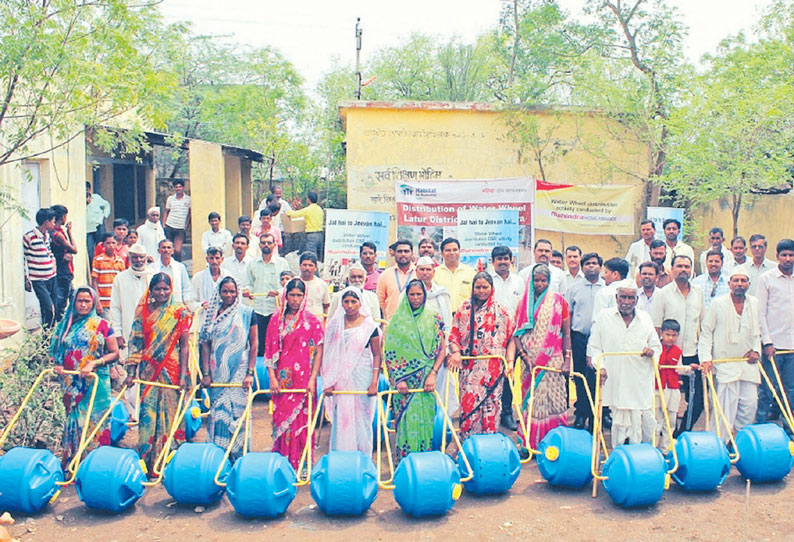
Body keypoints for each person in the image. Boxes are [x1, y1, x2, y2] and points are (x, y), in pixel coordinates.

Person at [124, 273, 193, 473]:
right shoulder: (143, 313)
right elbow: (135, 343)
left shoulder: (179, 312)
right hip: (149, 372)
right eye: (158, 289)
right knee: (148, 415)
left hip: (172, 370)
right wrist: (130, 372)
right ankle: (148, 461)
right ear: (151, 291)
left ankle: (172, 462)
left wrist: (182, 376)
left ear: (171, 290)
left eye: (165, 289)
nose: (162, 292)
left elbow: (184, 346)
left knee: (171, 414)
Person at [50, 287, 119, 465]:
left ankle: (96, 465)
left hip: (96, 383)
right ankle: (75, 463)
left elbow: (114, 353)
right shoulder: (65, 325)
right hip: (71, 382)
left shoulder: (103, 325)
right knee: (75, 421)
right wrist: (57, 364)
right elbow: (57, 350)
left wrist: (93, 363)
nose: (83, 304)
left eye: (87, 301)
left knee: (96, 421)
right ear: (74, 302)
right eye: (79, 300)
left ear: (94, 303)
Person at [589, 283, 662, 448]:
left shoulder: (645, 318)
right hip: (616, 379)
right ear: (616, 298)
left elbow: (657, 347)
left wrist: (651, 352)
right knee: (620, 424)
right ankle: (620, 458)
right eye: (623, 297)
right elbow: (595, 347)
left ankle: (642, 458)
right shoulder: (604, 316)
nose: (626, 302)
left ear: (636, 300)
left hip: (639, 380)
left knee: (644, 422)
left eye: (631, 298)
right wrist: (600, 366)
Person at [383, 280, 446, 463]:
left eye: (419, 294)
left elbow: (442, 350)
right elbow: (389, 352)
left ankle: (422, 465)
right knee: (405, 423)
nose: (416, 298)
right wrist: (398, 379)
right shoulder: (397, 320)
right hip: (403, 384)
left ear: (425, 295)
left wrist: (433, 373)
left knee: (425, 422)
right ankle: (404, 466)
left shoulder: (434, 318)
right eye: (412, 294)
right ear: (406, 296)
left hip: (426, 380)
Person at [447, 272, 515, 441]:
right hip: (470, 370)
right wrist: (456, 352)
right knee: (469, 405)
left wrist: (510, 361)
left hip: (494, 370)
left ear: (492, 288)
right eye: (478, 287)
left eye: (485, 287)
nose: (481, 291)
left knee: (492, 407)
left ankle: (489, 447)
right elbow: (453, 336)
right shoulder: (464, 309)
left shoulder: (502, 311)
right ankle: (469, 446)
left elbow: (512, 339)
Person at [265, 278, 324, 469]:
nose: (295, 299)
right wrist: (273, 378)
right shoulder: (275, 320)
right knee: (282, 421)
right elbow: (269, 351)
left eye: (299, 295)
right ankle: (283, 464)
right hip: (283, 380)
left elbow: (318, 353)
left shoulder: (313, 322)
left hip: (305, 379)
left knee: (303, 423)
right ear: (285, 296)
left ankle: (303, 465)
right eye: (292, 295)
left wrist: (313, 379)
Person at [699, 266, 761, 442]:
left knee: (749, 406)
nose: (739, 284)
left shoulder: (754, 303)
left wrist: (756, 350)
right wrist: (706, 359)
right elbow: (706, 333)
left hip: (748, 365)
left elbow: (757, 332)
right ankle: (718, 446)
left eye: (743, 281)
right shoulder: (718, 304)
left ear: (748, 283)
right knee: (725, 410)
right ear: (729, 283)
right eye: (736, 280)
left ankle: (743, 446)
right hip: (725, 365)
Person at [513, 264, 571, 449]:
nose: (539, 284)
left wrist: (568, 360)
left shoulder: (559, 301)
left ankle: (556, 444)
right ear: (531, 280)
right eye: (536, 280)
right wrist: (524, 356)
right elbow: (516, 334)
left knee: (556, 400)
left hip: (553, 358)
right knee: (532, 401)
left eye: (543, 280)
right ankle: (530, 444)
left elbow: (566, 333)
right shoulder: (523, 303)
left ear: (549, 281)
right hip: (530, 360)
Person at [199, 277, 257, 458]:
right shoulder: (211, 315)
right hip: (218, 374)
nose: (229, 295)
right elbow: (205, 345)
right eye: (225, 291)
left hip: (240, 372)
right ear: (219, 293)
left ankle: (239, 459)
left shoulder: (247, 313)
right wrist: (207, 373)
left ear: (238, 292)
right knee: (219, 413)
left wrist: (250, 373)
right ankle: (217, 459)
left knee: (239, 414)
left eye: (232, 291)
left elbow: (254, 344)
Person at [321, 286, 382, 453]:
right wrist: (329, 381)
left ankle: (363, 458)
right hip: (339, 378)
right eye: (346, 301)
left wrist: (374, 381)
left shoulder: (370, 326)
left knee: (361, 417)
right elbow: (329, 353)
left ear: (360, 303)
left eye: (353, 301)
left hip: (362, 374)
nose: (349, 305)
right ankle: (341, 457)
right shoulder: (335, 325)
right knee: (342, 416)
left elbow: (377, 355)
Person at [651, 255, 705, 435]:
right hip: (668, 357)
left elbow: (702, 323)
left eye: (687, 266)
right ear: (672, 269)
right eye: (680, 266)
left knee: (698, 400)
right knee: (664, 401)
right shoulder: (663, 293)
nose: (683, 269)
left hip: (692, 353)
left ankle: (681, 434)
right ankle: (660, 438)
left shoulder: (699, 292)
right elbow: (656, 326)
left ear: (692, 270)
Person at [109, 243, 153, 414]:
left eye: (141, 257)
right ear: (130, 258)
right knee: (131, 371)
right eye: (135, 257)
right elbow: (115, 308)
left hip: (151, 334)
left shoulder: (153, 276)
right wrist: (118, 333)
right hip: (128, 333)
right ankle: (133, 413)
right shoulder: (120, 278)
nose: (138, 260)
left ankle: (148, 411)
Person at [756, 239, 794, 427]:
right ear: (777, 256)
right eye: (784, 255)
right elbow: (760, 312)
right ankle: (761, 429)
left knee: (790, 390)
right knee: (766, 389)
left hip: (792, 348)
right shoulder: (767, 279)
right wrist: (767, 342)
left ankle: (789, 429)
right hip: (774, 346)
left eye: (791, 255)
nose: (788, 259)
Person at [565, 253, 604, 430]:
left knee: (599, 376)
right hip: (579, 337)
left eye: (594, 263)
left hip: (602, 339)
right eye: (587, 264)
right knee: (580, 376)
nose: (591, 266)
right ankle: (581, 413)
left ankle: (600, 414)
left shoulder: (607, 288)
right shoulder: (573, 288)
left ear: (600, 267)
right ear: (582, 267)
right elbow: (568, 315)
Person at [245, 233, 290, 356]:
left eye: (269, 243)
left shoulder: (282, 263)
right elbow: (248, 283)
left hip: (275, 310)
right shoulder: (252, 264)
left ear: (274, 245)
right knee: (258, 343)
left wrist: (278, 292)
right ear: (259, 245)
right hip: (258, 309)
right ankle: (258, 372)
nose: (266, 245)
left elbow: (288, 286)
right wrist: (247, 291)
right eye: (263, 242)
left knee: (275, 343)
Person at [23, 208, 58, 328]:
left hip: (51, 277)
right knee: (49, 309)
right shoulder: (29, 237)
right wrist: (26, 279)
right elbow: (24, 258)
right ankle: (47, 338)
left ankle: (47, 339)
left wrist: (54, 265)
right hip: (38, 279)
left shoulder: (46, 236)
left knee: (52, 309)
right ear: (46, 222)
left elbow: (49, 252)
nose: (54, 223)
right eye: (53, 221)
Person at [655, 319, 684, 450]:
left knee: (671, 420)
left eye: (673, 335)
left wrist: (690, 368)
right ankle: (653, 447)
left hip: (673, 389)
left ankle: (665, 449)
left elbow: (680, 369)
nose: (670, 338)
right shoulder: (655, 349)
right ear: (661, 333)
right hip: (657, 388)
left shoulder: (678, 351)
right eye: (668, 335)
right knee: (656, 420)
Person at [190, 247, 233, 327]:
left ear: (222, 259)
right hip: (203, 322)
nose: (214, 261)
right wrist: (202, 305)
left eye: (217, 258)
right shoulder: (198, 277)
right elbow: (191, 303)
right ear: (207, 259)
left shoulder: (228, 275)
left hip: (224, 321)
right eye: (211, 258)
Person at [433, 238, 476, 314]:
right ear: (442, 253)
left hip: (465, 317)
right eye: (448, 250)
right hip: (441, 317)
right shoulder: (434, 273)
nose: (452, 253)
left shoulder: (471, 272)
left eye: (455, 250)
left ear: (459, 252)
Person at [376, 239, 415, 320]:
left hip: (414, 323)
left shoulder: (418, 274)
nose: (403, 254)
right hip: (391, 324)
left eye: (406, 251)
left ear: (412, 253)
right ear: (394, 253)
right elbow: (380, 300)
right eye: (399, 251)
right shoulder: (385, 275)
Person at [50, 205, 77, 321]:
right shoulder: (58, 234)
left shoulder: (52, 232)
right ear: (62, 217)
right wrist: (70, 232)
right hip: (62, 271)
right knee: (62, 303)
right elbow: (74, 249)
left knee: (73, 297)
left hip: (62, 270)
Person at [91, 232, 126, 314]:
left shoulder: (120, 261)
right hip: (103, 302)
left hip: (116, 302)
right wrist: (97, 301)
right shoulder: (98, 260)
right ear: (103, 245)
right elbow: (94, 281)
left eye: (113, 243)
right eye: (108, 243)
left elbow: (123, 283)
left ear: (117, 244)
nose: (111, 245)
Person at [149, 239, 192, 303]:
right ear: (159, 250)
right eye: (163, 247)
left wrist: (186, 303)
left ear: (173, 251)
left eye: (169, 248)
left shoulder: (180, 267)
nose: (166, 250)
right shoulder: (151, 268)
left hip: (176, 304)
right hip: (156, 305)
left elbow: (186, 288)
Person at [286, 191, 324, 260]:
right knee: (319, 257)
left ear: (308, 199)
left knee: (311, 256)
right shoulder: (320, 209)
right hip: (320, 235)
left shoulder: (308, 209)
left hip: (312, 235)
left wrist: (287, 212)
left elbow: (294, 214)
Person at [489, 246, 524, 318]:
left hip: (514, 326)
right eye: (499, 259)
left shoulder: (518, 281)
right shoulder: (487, 280)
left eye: (506, 258)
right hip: (491, 326)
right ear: (492, 261)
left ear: (511, 261)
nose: (503, 262)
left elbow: (522, 305)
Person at [163, 179, 191, 261]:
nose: (178, 188)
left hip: (180, 228)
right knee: (168, 250)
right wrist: (164, 224)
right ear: (174, 188)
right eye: (176, 187)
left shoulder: (188, 199)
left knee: (177, 250)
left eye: (180, 187)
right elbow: (166, 212)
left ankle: (178, 266)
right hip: (169, 226)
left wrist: (185, 226)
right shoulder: (170, 199)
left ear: (183, 187)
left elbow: (189, 214)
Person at [298, 252, 330, 316]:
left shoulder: (322, 284)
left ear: (315, 268)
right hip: (295, 322)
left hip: (316, 322)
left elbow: (326, 306)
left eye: (310, 265)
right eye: (304, 265)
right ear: (300, 266)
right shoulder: (292, 283)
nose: (307, 268)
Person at [85, 182, 111, 256]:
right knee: (90, 250)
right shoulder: (80, 201)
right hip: (88, 229)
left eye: (87, 189)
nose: (86, 192)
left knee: (102, 246)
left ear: (90, 189)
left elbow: (107, 205)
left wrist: (105, 216)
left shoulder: (96, 198)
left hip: (99, 226)